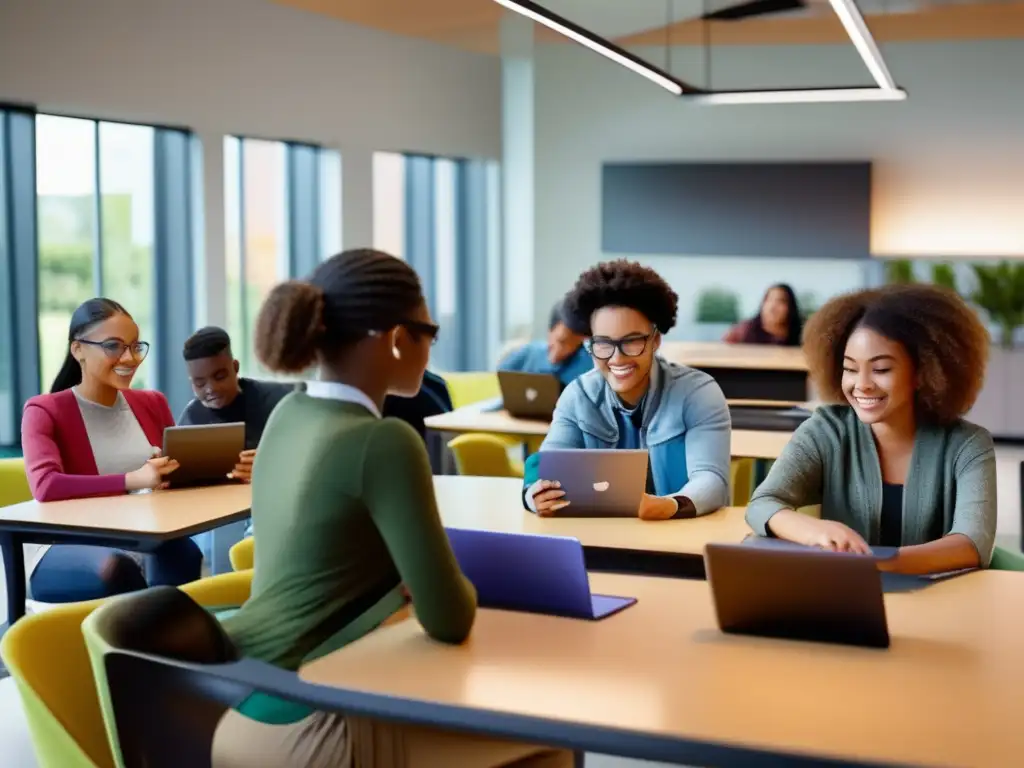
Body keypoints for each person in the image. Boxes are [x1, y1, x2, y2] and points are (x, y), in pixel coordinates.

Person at [214, 249, 571, 768]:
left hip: (239, 711)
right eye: (430, 332)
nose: (430, 347)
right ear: (398, 338)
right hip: (312, 727)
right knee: (551, 740)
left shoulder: (288, 412)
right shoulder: (385, 440)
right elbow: (450, 617)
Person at [746, 284, 996, 575]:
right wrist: (813, 531)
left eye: (881, 369)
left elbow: (972, 543)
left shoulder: (968, 445)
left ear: (923, 372)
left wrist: (873, 564)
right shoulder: (826, 429)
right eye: (850, 369)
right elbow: (763, 503)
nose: (862, 384)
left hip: (938, 606)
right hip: (842, 602)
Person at [20, 298, 202, 602]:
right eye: (114, 346)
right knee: (116, 568)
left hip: (138, 533)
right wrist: (135, 479)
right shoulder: (44, 410)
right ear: (77, 349)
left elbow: (177, 468)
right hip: (64, 543)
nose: (129, 358)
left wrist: (224, 467)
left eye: (135, 346)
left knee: (183, 553)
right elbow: (46, 485)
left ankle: (162, 646)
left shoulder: (152, 403)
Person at [523, 260, 731, 521]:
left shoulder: (698, 393)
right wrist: (534, 495)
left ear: (655, 340)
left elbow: (712, 480)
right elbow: (546, 464)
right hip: (603, 543)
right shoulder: (578, 396)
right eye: (603, 343)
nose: (617, 358)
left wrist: (671, 505)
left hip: (683, 545)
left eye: (632, 342)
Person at [178, 326, 293, 483]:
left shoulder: (279, 402)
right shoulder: (191, 418)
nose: (211, 389)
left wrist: (273, 468)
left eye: (219, 377)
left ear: (235, 367)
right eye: (200, 383)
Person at [498, 300, 592, 386]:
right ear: (550, 331)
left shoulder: (589, 365)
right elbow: (498, 378)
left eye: (574, 345)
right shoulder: (530, 353)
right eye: (561, 341)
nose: (566, 350)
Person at [723, 283, 802, 346]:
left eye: (780, 301)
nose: (772, 306)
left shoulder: (802, 335)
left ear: (791, 307)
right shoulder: (743, 331)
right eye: (768, 300)